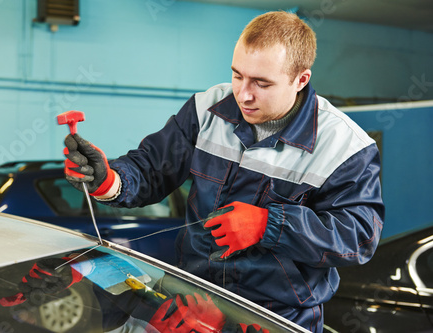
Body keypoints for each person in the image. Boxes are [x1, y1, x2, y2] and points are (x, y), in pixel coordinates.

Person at [63, 11, 385, 332]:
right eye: (237, 75)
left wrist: (268, 224)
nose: (243, 94)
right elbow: (151, 168)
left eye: (261, 83)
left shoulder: (345, 146)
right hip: (190, 308)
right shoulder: (207, 110)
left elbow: (357, 235)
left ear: (300, 79)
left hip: (272, 322)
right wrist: (107, 179)